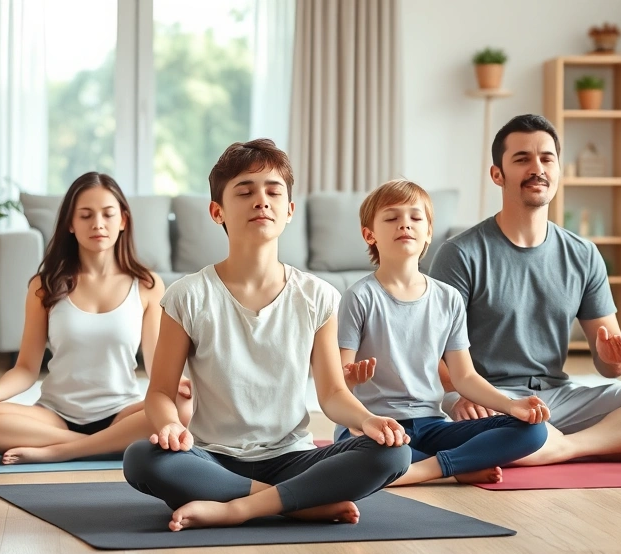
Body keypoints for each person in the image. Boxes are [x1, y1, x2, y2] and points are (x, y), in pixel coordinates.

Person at [123, 138, 412, 532]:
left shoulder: (318, 296)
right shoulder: (186, 295)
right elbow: (159, 393)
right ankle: (294, 503)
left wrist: (368, 419)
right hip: (214, 459)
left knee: (392, 455)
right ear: (216, 210)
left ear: (289, 210)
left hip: (294, 459)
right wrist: (170, 426)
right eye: (245, 191)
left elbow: (331, 394)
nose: (261, 200)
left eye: (273, 191)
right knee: (141, 458)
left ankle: (237, 507)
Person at [429, 114, 621, 466]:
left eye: (547, 158)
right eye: (522, 159)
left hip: (559, 396)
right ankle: (609, 442)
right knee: (487, 430)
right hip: (490, 400)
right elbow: (429, 353)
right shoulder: (460, 253)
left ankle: (569, 446)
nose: (538, 168)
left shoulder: (583, 253)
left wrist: (613, 357)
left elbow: (613, 367)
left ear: (559, 170)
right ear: (497, 175)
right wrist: (460, 393)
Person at [0, 172, 192, 464]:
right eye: (85, 215)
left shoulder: (147, 284)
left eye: (108, 214)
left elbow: (155, 362)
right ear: (70, 224)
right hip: (54, 418)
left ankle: (64, 451)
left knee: (183, 406)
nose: (98, 224)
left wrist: (180, 381)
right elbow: (25, 369)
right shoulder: (44, 285)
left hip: (121, 414)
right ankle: (102, 446)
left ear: (123, 220)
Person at [335, 178, 549, 486]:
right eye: (392, 217)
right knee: (370, 452)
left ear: (428, 233)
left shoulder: (448, 298)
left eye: (415, 217)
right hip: (372, 426)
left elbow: (464, 378)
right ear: (369, 234)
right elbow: (338, 381)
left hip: (431, 426)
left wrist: (511, 404)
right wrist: (351, 379)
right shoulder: (359, 297)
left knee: (533, 430)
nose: (404, 224)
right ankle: (450, 466)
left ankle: (428, 468)